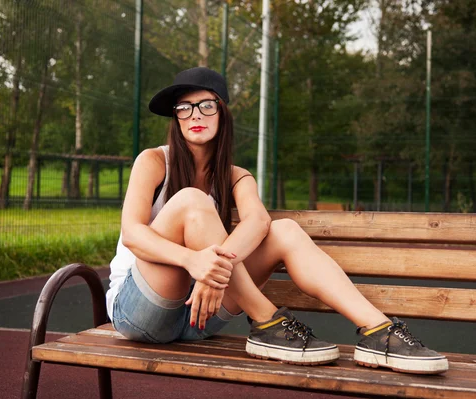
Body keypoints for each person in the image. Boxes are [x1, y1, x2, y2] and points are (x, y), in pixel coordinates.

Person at [106, 67, 448, 374]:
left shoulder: (237, 177)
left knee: (285, 229)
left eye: (206, 105)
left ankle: (380, 332)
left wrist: (213, 270)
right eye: (184, 108)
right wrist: (194, 261)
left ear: (222, 113)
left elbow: (258, 222)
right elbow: (134, 234)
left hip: (201, 312)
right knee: (191, 202)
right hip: (141, 311)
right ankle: (268, 322)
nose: (195, 114)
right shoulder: (153, 161)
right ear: (176, 118)